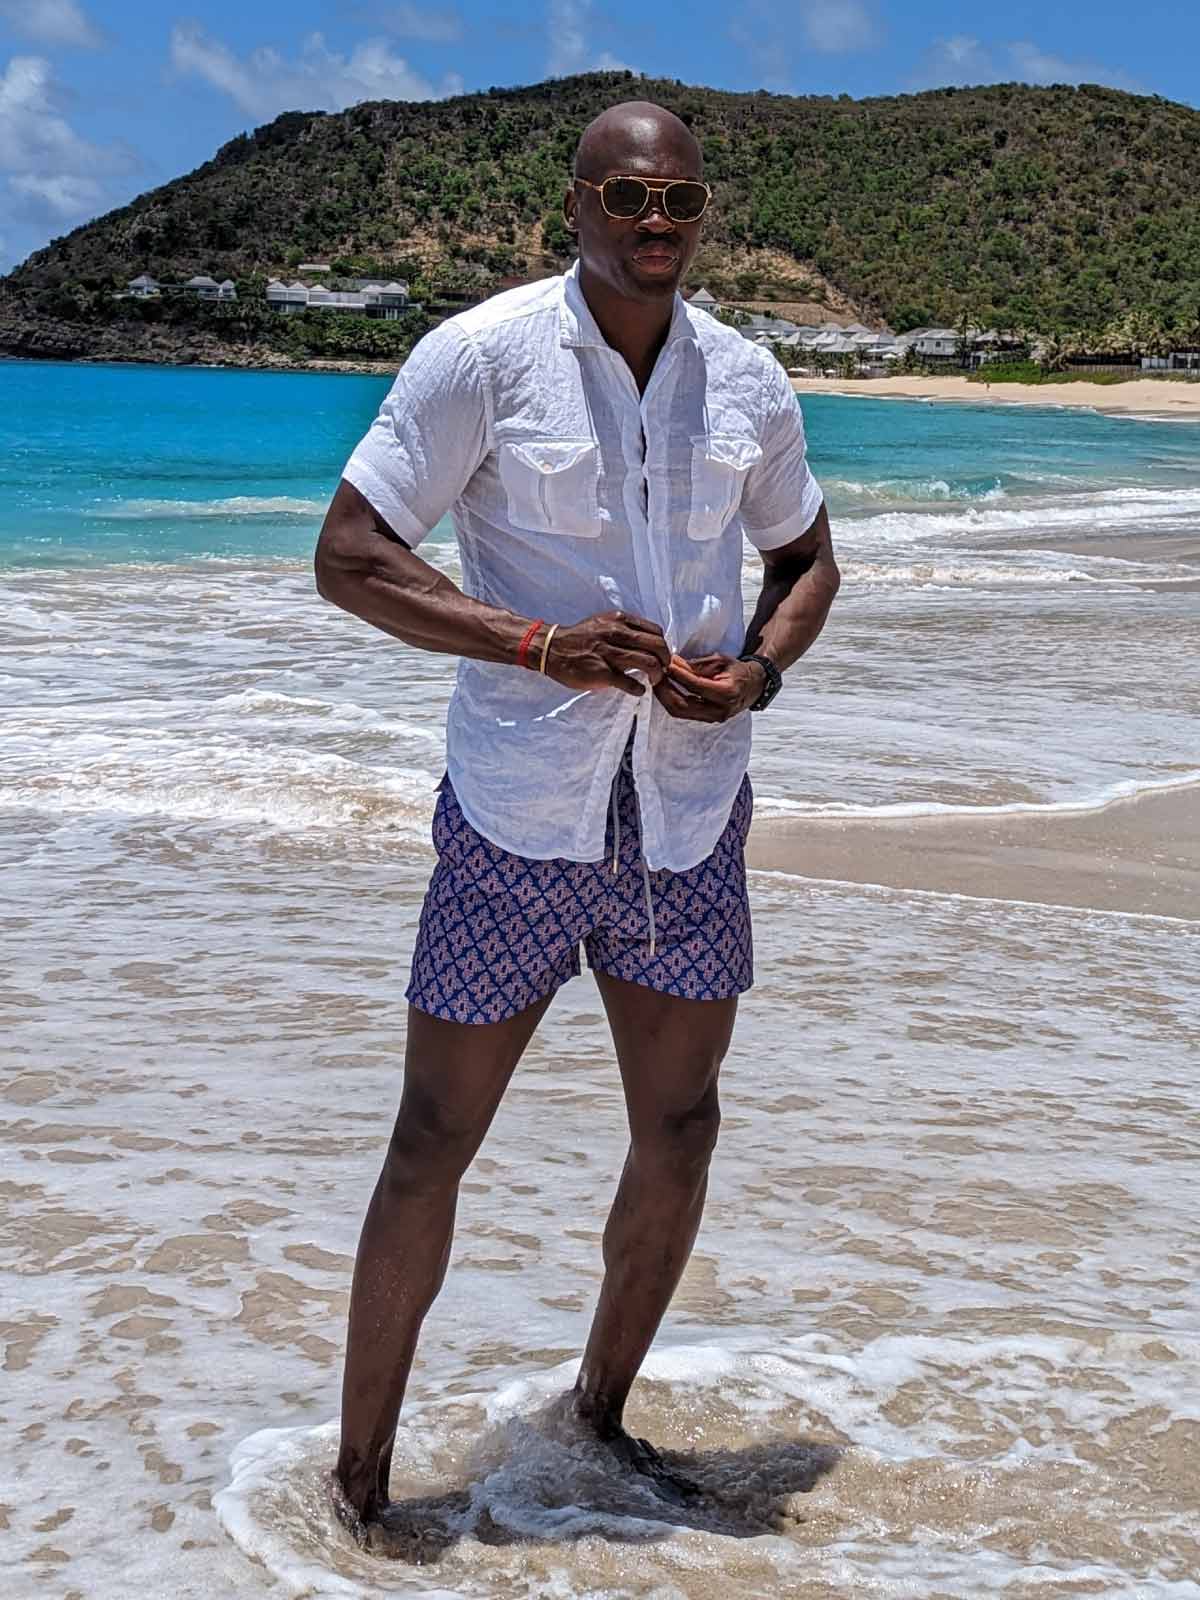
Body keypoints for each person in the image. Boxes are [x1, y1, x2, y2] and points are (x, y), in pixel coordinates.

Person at [313, 99, 840, 1551]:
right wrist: (534, 645)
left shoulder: (746, 379)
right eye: (626, 200)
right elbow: (350, 555)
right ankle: (359, 1487)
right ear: (577, 208)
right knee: (432, 1138)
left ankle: (599, 1421)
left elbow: (806, 555)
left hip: (686, 821)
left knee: (679, 1127)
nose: (653, 225)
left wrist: (759, 674)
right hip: (515, 818)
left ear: (700, 214)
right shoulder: (482, 358)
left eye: (677, 204)